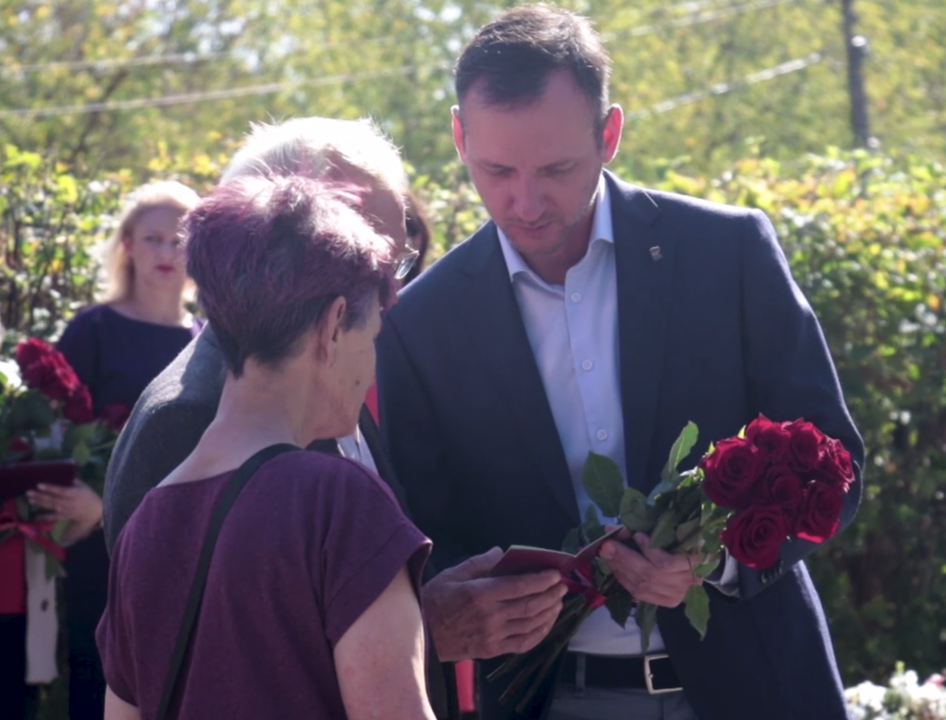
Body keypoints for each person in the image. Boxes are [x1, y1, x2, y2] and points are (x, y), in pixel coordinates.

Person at [376, 5, 865, 720]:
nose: (526, 201)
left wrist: (718, 559)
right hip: (547, 699)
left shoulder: (726, 254)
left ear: (609, 135)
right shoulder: (418, 324)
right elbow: (427, 536)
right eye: (497, 170)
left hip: (756, 687)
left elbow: (835, 466)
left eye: (557, 168)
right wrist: (455, 604)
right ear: (458, 136)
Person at [100, 117, 567, 719]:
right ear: (330, 319)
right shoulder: (214, 432)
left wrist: (410, 608)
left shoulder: (162, 507)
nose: (390, 293)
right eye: (368, 266)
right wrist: (415, 626)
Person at [97, 174, 436, 720]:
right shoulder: (340, 502)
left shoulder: (148, 520)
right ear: (330, 329)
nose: (372, 365)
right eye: (370, 337)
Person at [26, 180, 202, 720]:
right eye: (153, 238)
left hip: (178, 554)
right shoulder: (92, 329)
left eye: (180, 240)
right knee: (94, 688)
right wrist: (84, 502)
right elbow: (45, 438)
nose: (167, 252)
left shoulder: (208, 342)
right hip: (95, 559)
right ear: (127, 244)